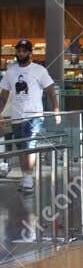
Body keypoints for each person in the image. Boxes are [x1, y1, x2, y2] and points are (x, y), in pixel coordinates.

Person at [0, 40, 59, 195]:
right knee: (21, 147)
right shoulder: (10, 71)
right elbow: (4, 95)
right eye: (19, 51)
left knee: (30, 145)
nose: (21, 53)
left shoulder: (39, 70)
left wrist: (56, 109)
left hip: (34, 116)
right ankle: (26, 175)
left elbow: (50, 90)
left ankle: (28, 178)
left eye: (24, 51)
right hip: (16, 116)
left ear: (30, 53)